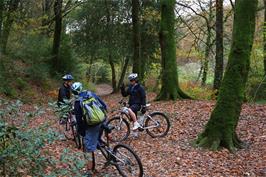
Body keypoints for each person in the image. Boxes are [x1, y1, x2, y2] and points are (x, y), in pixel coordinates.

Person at [71, 82, 107, 176]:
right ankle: (100, 143)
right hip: (102, 120)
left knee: (87, 148)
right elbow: (103, 105)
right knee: (97, 136)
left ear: (74, 92)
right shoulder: (91, 93)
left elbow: (79, 120)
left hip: (92, 125)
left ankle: (89, 171)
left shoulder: (78, 102)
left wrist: (81, 132)